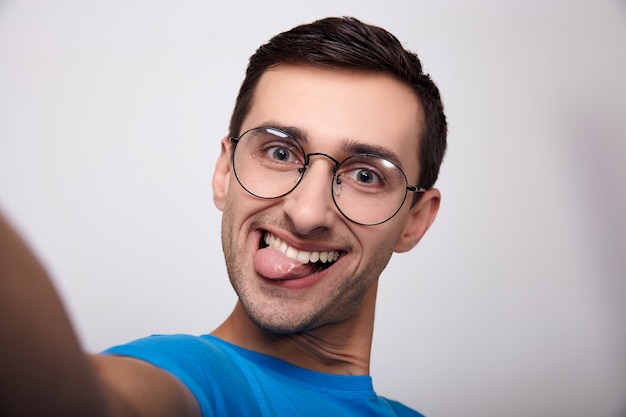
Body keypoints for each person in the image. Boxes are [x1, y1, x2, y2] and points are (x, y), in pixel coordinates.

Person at [0, 16, 446, 417]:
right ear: (223, 172)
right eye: (279, 152)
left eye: (365, 175)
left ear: (415, 219)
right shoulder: (195, 378)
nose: (307, 212)